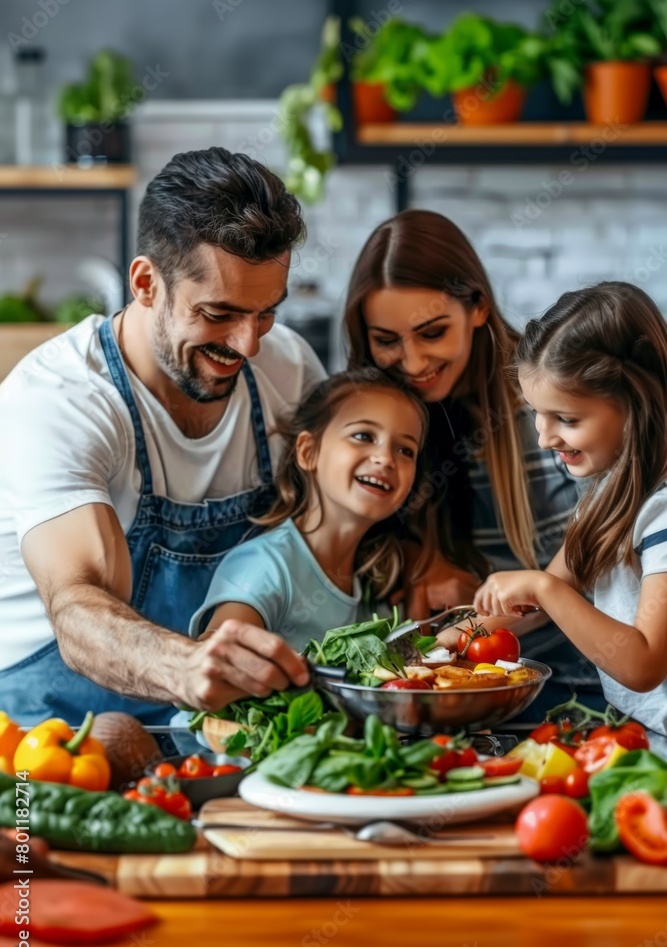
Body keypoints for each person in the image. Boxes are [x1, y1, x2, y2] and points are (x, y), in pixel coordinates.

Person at [0, 147, 325, 726]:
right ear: (147, 283)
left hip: (217, 736)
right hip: (50, 739)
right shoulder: (58, 400)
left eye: (266, 313)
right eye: (219, 313)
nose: (248, 345)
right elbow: (77, 610)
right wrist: (185, 668)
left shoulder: (287, 368)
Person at [344, 208, 602, 717]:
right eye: (387, 341)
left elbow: (587, 554)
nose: (413, 362)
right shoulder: (374, 416)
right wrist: (420, 562)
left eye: (433, 333)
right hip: (459, 700)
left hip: (585, 695)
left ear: (478, 307)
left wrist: (462, 634)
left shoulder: (547, 403)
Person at [470, 282, 667, 752]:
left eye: (567, 419)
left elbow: (643, 665)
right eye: (537, 414)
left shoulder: (661, 513)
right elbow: (536, 608)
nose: (544, 438)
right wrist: (430, 647)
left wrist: (542, 587)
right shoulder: (605, 500)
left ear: (637, 403)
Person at [190, 369, 428, 649]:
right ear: (307, 452)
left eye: (405, 450)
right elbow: (217, 658)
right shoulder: (266, 566)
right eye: (364, 436)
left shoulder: (376, 580)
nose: (386, 458)